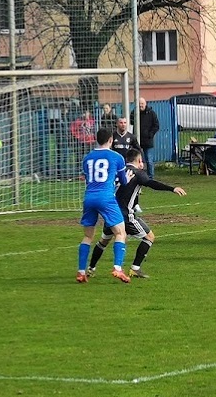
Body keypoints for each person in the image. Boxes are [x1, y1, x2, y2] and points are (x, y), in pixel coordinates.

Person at [85, 147, 186, 279]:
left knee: (103, 241)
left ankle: (91, 268)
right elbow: (151, 183)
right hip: (126, 215)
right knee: (149, 237)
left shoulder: (118, 171)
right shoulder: (137, 173)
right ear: (139, 160)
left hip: (111, 212)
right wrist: (172, 188)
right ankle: (135, 269)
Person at [76, 127, 131, 283]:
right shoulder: (117, 157)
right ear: (110, 140)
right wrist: (126, 176)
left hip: (89, 197)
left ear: (96, 139)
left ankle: (81, 272)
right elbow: (124, 181)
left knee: (87, 236)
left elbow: (88, 179)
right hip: (106, 197)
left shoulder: (87, 158)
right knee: (120, 233)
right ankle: (117, 268)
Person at [133, 96, 161, 177]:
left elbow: (156, 125)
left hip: (148, 140)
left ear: (145, 104)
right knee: (136, 159)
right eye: (139, 104)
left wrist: (150, 134)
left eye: (142, 103)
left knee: (149, 160)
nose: (140, 105)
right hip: (137, 140)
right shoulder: (134, 113)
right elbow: (131, 124)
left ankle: (150, 177)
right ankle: (138, 176)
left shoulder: (151, 113)